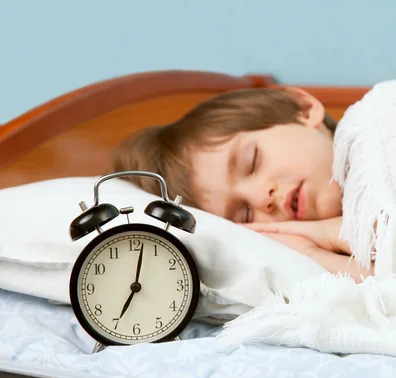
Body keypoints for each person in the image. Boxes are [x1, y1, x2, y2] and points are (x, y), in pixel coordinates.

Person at [109, 87, 374, 282]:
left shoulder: (386, 129)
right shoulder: (305, 262)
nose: (262, 198)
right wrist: (312, 251)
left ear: (303, 110)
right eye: (245, 213)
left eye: (252, 162)